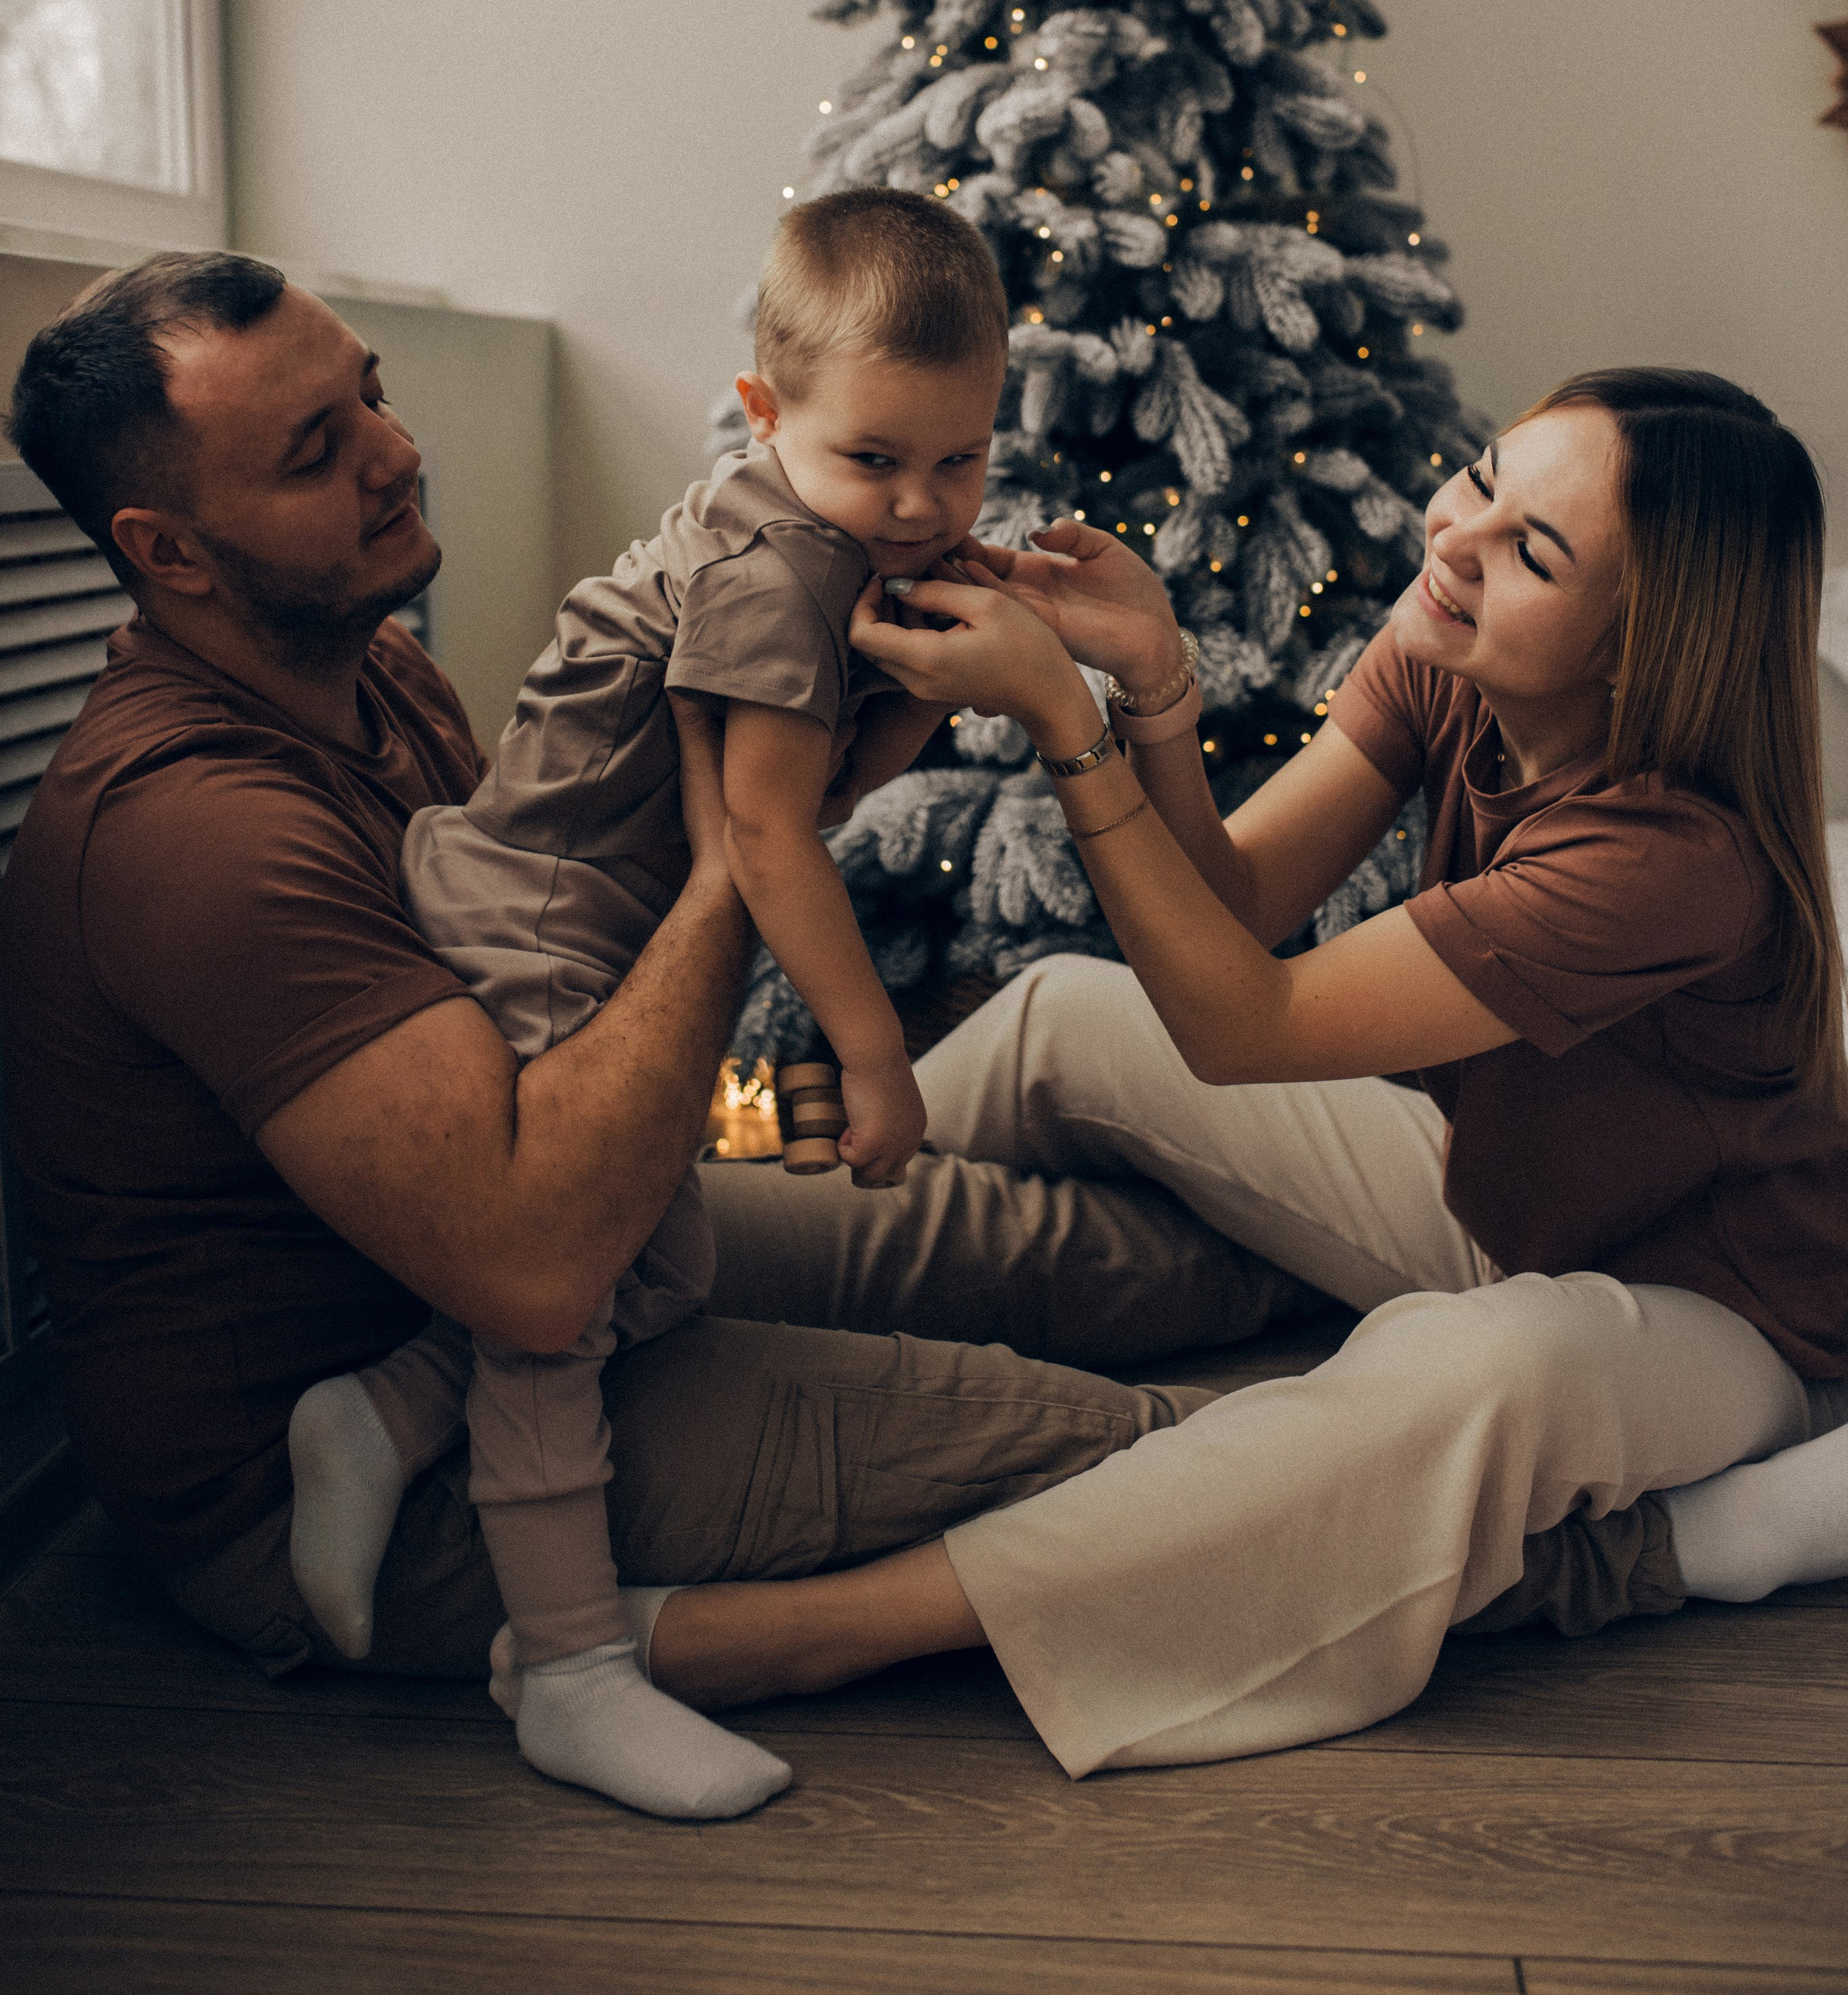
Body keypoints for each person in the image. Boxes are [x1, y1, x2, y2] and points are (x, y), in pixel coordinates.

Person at [0, 250, 1307, 1811]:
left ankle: (1417, 1264)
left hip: (546, 1236)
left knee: (1056, 1249)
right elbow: (537, 1262)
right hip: (338, 1459)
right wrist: (749, 871)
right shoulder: (196, 835)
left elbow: (564, 991)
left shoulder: (378, 673)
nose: (394, 450)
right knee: (1134, 1449)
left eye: (371, 393)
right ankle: (1584, 1521)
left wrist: (928, 734)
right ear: (168, 550)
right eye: (315, 449)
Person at [572, 368, 1848, 1778]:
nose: (1453, 544)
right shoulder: (1450, 659)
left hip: (1720, 1315)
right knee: (1062, 1009)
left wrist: (1071, 722)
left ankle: (817, 1631)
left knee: (1482, 1363)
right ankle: (699, 1157)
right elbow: (1235, 904)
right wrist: (1156, 686)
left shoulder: (1667, 862)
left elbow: (1242, 1027)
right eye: (1481, 483)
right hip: (1479, 1202)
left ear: (1644, 644)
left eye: (1530, 555)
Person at [286, 189, 1011, 1817]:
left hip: (587, 922)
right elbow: (761, 834)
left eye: (957, 459)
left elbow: (815, 781)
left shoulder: (818, 540)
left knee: (666, 1261)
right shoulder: (772, 571)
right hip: (544, 928)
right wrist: (871, 1058)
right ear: (765, 415)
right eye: (875, 460)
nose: (917, 503)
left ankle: (387, 1408)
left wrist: (930, 677)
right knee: (555, 1315)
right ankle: (569, 1668)